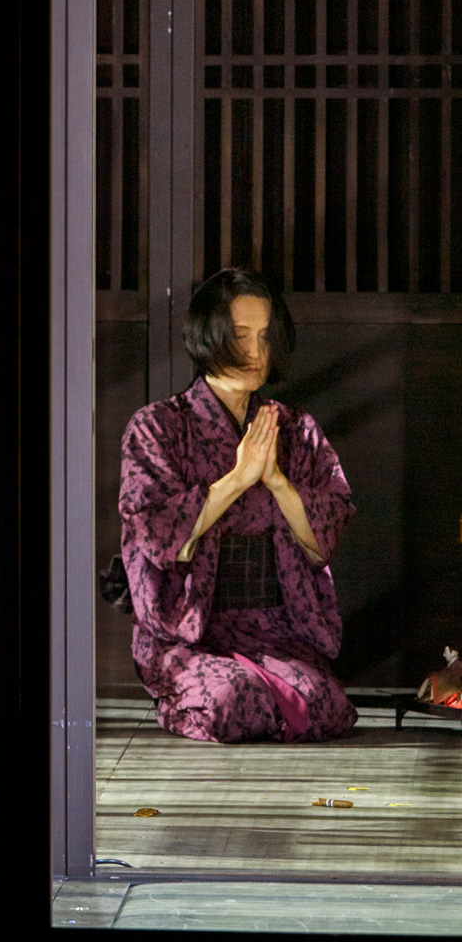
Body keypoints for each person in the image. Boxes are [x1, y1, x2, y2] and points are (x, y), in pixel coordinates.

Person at [118, 268, 357, 744]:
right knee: (232, 698)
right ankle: (183, 695)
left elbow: (324, 533)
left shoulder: (295, 429)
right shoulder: (157, 427)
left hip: (274, 629)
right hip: (191, 634)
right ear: (207, 336)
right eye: (240, 335)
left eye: (265, 337)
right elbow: (156, 533)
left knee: (326, 705)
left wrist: (277, 482)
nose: (254, 352)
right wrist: (238, 478)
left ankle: (264, 690)